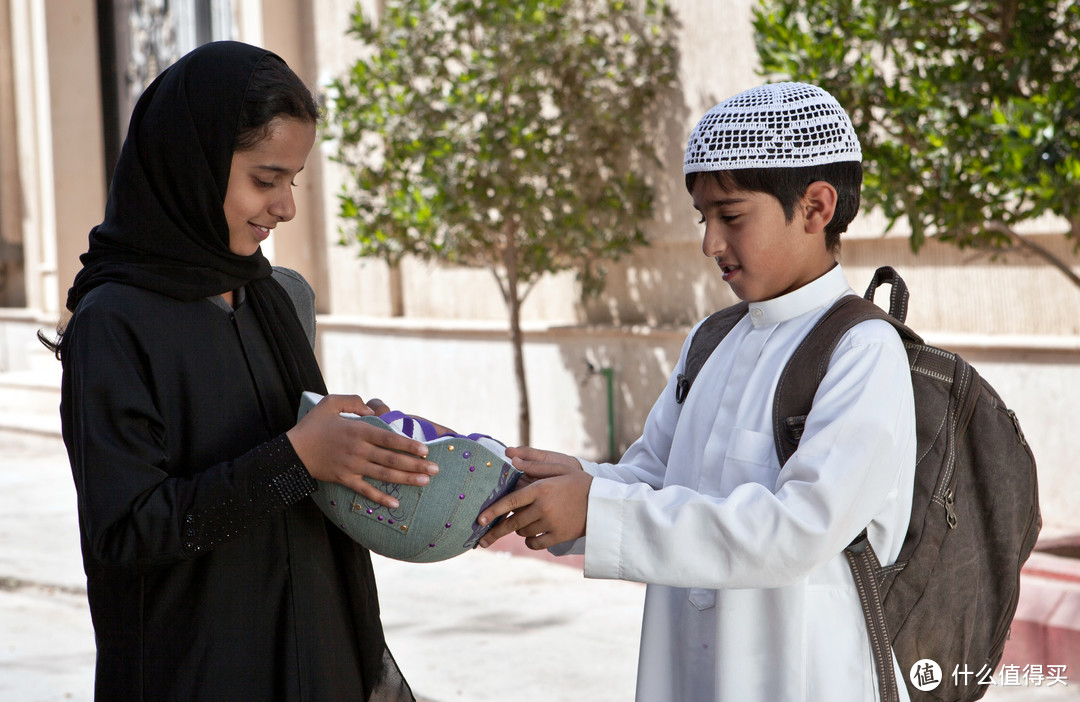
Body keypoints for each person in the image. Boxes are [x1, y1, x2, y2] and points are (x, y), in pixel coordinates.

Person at [477, 82, 918, 701]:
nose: (711, 243)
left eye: (731, 216)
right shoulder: (713, 340)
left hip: (801, 675)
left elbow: (798, 530)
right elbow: (656, 479)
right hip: (685, 672)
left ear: (817, 207)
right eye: (704, 218)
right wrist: (567, 485)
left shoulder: (862, 351)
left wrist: (600, 511)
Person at [47, 41, 437, 701]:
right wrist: (297, 456)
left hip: (321, 665)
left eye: (293, 181)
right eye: (265, 179)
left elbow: (302, 469)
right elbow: (126, 531)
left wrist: (353, 446)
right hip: (197, 674)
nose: (284, 207)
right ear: (189, 164)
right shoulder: (114, 322)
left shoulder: (269, 299)